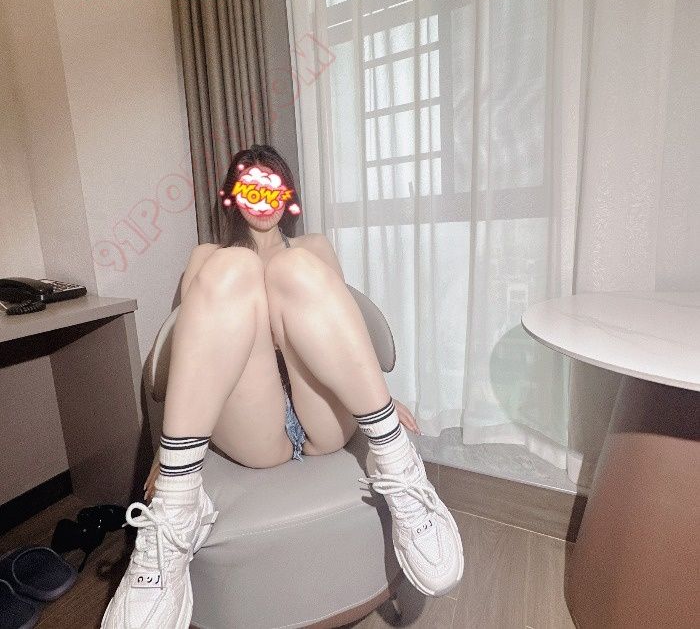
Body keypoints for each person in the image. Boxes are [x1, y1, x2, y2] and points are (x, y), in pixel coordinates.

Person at [101, 144, 463, 628]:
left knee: (296, 267)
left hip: (323, 413)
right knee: (231, 267)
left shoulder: (312, 248)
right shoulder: (208, 258)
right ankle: (176, 507)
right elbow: (191, 364)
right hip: (253, 427)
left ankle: (397, 463)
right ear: (233, 195)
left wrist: (382, 398)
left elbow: (346, 335)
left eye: (272, 185)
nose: (262, 198)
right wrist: (165, 460)